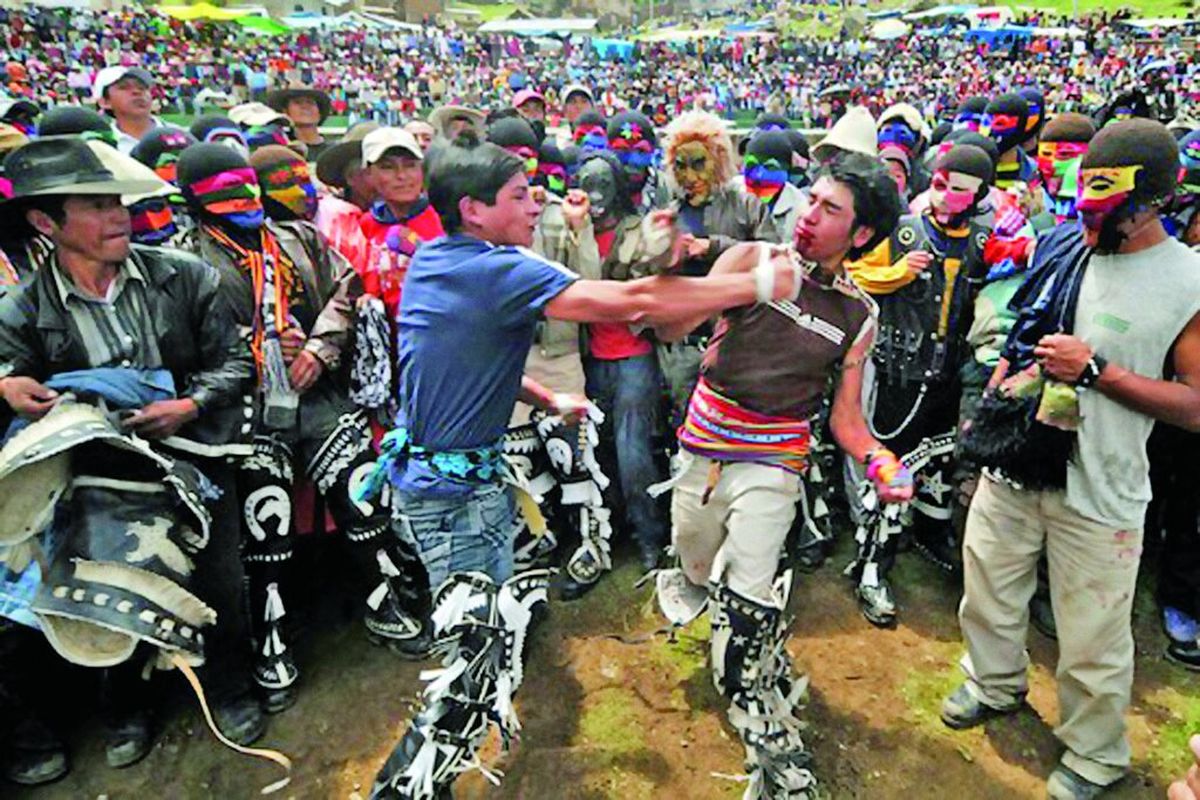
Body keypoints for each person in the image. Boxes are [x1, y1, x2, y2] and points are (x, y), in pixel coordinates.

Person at [366, 137, 804, 800]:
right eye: (518, 195)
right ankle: (405, 789)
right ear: (473, 210)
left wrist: (543, 397)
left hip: (458, 483)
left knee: (497, 611)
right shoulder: (499, 269)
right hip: (454, 496)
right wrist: (759, 283)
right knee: (473, 661)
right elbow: (629, 302)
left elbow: (465, 356)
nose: (533, 200)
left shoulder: (439, 257)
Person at [944, 120, 1200, 800]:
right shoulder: (1064, 243)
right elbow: (1026, 326)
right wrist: (1001, 380)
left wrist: (1098, 373)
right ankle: (992, 684)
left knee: (1092, 634)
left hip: (1102, 487)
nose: (1082, 206)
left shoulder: (1188, 282)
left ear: (1147, 202)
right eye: (1080, 189)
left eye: (1099, 196)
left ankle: (1094, 755)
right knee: (989, 590)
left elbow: (1196, 405)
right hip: (1016, 458)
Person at [0, 136, 262, 776]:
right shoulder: (23, 309)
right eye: (95, 204)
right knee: (103, 586)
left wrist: (190, 405)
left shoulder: (186, 276)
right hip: (99, 471)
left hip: (192, 451)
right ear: (45, 222)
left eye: (118, 200)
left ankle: (230, 688)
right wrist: (6, 383)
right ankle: (127, 706)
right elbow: (13, 374)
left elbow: (235, 363)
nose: (120, 214)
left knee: (220, 580)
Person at [654, 152, 910, 799]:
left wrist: (881, 462)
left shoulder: (858, 316)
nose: (809, 218)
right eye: (812, 201)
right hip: (703, 449)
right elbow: (674, 324)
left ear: (859, 236)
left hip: (776, 460)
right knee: (693, 562)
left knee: (750, 591)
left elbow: (848, 421)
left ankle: (753, 702)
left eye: (830, 211)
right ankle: (702, 591)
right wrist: (683, 280)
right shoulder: (751, 260)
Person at [176, 142, 431, 713]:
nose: (243, 197)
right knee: (265, 528)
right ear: (194, 200)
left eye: (247, 184)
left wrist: (319, 345)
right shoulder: (181, 261)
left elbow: (347, 290)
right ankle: (270, 641)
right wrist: (258, 347)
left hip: (318, 396)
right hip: (245, 413)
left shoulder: (294, 237)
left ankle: (382, 601)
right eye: (224, 189)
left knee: (364, 497)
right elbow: (182, 340)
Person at [846, 144, 995, 625]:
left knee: (938, 467)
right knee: (891, 468)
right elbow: (853, 274)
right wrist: (895, 273)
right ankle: (872, 563)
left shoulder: (983, 239)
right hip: (900, 375)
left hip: (951, 375)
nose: (944, 194)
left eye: (958, 189)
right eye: (938, 182)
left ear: (977, 197)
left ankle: (933, 539)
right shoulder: (904, 230)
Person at [93, 66, 170, 155]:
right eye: (124, 87)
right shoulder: (101, 145)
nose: (137, 92)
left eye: (142, 87)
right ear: (105, 102)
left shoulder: (182, 136)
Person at [267, 86, 333, 161]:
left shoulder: (335, 151)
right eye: (297, 102)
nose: (305, 106)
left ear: (319, 114)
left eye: (310, 103)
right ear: (285, 112)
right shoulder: (278, 150)